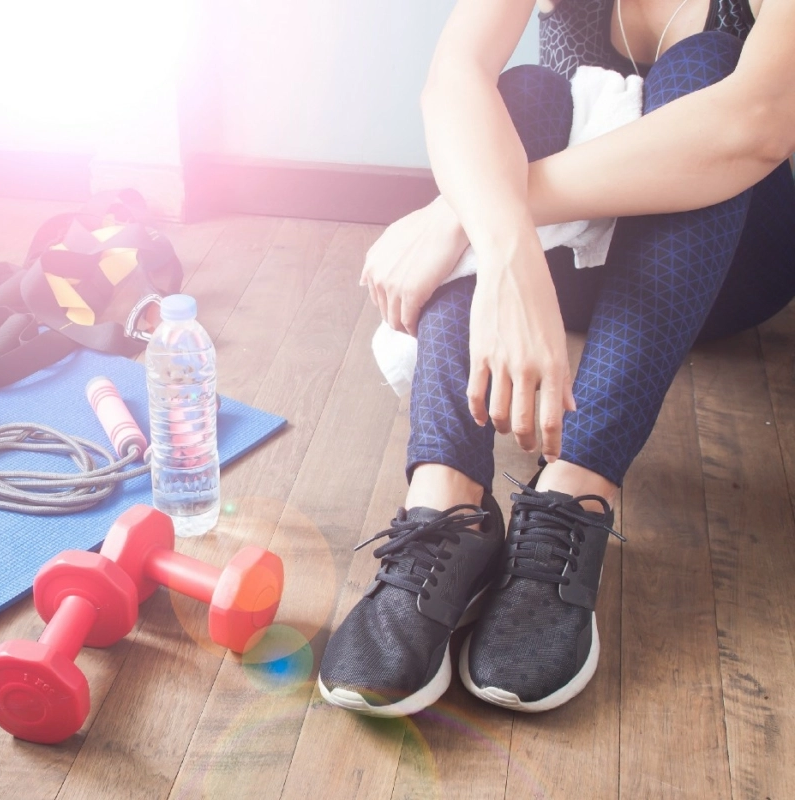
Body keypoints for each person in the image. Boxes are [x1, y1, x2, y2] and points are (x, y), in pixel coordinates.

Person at [317, 0, 795, 716]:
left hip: (724, 262)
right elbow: (456, 74)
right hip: (569, 254)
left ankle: (574, 495)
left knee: (709, 69)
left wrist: (468, 210)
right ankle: (447, 502)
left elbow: (748, 127)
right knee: (526, 93)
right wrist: (505, 244)